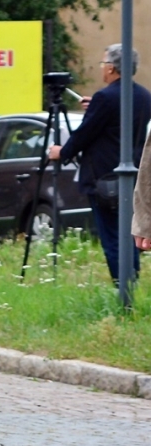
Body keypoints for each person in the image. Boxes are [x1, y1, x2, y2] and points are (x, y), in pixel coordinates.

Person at [48, 44, 150, 282]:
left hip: (105, 180)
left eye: (104, 64)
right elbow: (118, 117)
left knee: (112, 238)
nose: (102, 68)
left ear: (112, 68)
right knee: (129, 235)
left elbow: (84, 134)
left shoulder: (105, 98)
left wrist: (62, 152)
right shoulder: (144, 96)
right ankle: (131, 283)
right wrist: (96, 106)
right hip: (134, 177)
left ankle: (123, 289)